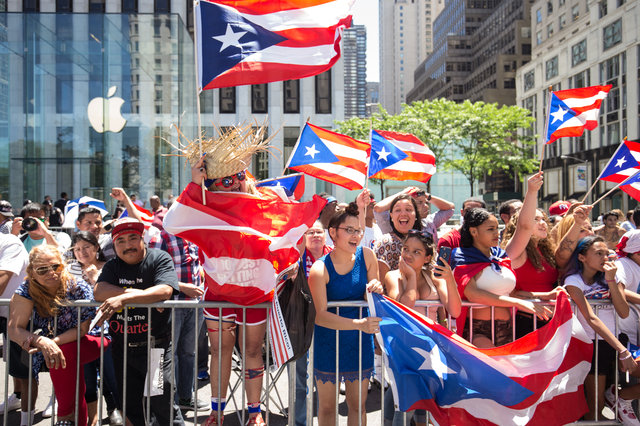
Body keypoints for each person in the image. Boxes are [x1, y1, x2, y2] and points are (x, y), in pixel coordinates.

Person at [93, 218, 184, 426]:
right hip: (122, 349)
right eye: (121, 241)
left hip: (155, 347)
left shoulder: (158, 258)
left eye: (133, 238)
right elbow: (99, 291)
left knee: (162, 403)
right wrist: (141, 294)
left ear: (142, 238)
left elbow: (165, 290)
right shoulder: (112, 266)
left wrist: (123, 298)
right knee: (131, 406)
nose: (127, 246)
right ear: (114, 245)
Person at [8, 245, 108, 426]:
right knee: (65, 360)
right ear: (31, 271)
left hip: (94, 337)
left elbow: (82, 329)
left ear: (64, 265)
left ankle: (64, 417)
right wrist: (42, 341)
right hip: (55, 342)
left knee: (62, 352)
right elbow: (14, 329)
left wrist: (50, 343)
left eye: (56, 267)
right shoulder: (25, 290)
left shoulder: (77, 286)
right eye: (42, 269)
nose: (51, 273)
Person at [308, 203, 384, 426]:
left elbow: (372, 290)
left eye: (358, 230)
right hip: (328, 341)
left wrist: (375, 286)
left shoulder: (368, 256)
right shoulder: (319, 269)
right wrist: (359, 323)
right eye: (349, 230)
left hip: (359, 342)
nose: (356, 235)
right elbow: (320, 315)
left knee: (358, 406)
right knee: (328, 407)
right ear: (333, 232)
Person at [451, 191, 552, 348]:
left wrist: (546, 295)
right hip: (477, 329)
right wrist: (518, 303)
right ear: (473, 231)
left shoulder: (501, 256)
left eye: (497, 228)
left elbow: (510, 292)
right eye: (490, 229)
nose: (497, 233)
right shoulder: (462, 256)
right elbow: (473, 294)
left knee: (507, 372)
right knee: (490, 370)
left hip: (507, 328)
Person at [382, 230, 461, 426]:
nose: (408, 254)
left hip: (430, 350)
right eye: (406, 249)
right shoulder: (394, 276)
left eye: (416, 252)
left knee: (424, 407)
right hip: (404, 350)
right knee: (405, 403)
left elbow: (455, 310)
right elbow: (403, 308)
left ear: (427, 257)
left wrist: (449, 279)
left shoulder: (435, 278)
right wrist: (410, 277)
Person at [562, 235, 639, 423]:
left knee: (599, 404)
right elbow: (591, 317)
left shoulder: (610, 278)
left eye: (607, 253)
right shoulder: (573, 281)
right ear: (582, 257)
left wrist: (612, 280)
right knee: (595, 407)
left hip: (613, 344)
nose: (605, 257)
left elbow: (622, 311)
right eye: (598, 253)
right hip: (591, 346)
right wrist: (622, 351)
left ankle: (621, 396)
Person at [148, 227, 209, 412]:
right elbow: (152, 270)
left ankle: (185, 397)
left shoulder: (196, 236)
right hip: (170, 305)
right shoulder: (162, 237)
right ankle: (167, 402)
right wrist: (182, 287)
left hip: (194, 305)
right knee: (168, 353)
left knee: (188, 353)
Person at [68, 231, 123, 426]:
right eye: (77, 249)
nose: (81, 252)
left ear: (96, 247)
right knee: (87, 381)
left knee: (113, 376)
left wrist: (94, 279)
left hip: (106, 331)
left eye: (86, 247)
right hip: (79, 332)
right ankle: (91, 420)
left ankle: (118, 411)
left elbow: (111, 297)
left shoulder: (110, 267)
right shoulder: (69, 269)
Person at [500, 174, 562, 338]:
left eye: (544, 219)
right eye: (536, 219)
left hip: (550, 320)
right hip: (526, 320)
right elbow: (525, 227)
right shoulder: (515, 251)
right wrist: (532, 191)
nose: (543, 223)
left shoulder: (547, 250)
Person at [0, 233, 29, 416]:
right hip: (4, 313)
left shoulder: (10, 243)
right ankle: (17, 397)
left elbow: (3, 279)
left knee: (24, 368)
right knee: (13, 363)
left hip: (19, 314)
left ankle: (26, 416)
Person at [374, 187, 455, 243]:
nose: (426, 206)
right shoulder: (391, 225)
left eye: (426, 202)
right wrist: (403, 193)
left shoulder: (429, 222)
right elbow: (378, 209)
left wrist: (428, 196)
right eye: (420, 202)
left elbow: (450, 208)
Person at [373, 194, 423, 279]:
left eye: (408, 209)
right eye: (398, 210)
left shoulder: (423, 242)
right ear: (391, 216)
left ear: (415, 215)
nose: (403, 213)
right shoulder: (386, 243)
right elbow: (378, 284)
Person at [553, 203, 595, 269]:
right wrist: (577, 223)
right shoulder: (564, 257)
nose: (590, 233)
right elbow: (563, 252)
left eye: (590, 228)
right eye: (581, 230)